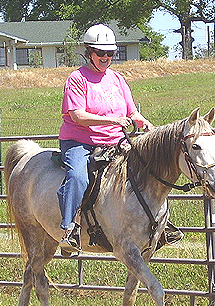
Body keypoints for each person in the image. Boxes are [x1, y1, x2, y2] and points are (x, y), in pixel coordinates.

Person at [57, 24, 182, 252]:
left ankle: (160, 225)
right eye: (100, 52)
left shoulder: (117, 79)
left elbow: (131, 111)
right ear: (89, 52)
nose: (106, 57)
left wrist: (142, 121)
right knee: (77, 177)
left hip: (115, 141)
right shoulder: (77, 79)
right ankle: (69, 229)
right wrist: (112, 121)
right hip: (81, 142)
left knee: (148, 170)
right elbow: (77, 115)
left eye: (110, 53)